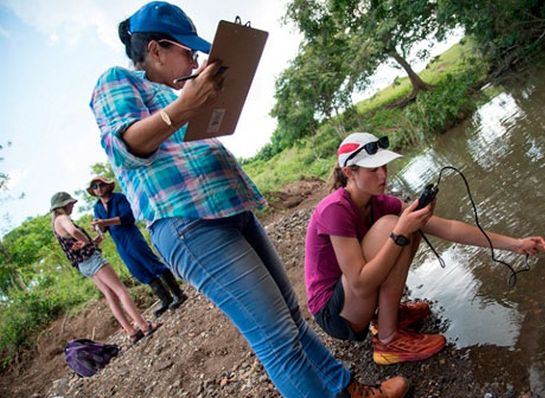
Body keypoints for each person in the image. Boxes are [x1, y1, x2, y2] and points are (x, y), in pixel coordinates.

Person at [88, 2, 409, 397]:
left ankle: (350, 390)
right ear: (155, 49)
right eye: (187, 51)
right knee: (275, 337)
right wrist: (185, 106)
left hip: (229, 208)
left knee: (290, 317)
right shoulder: (118, 80)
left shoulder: (176, 92)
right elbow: (126, 146)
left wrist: (202, 102)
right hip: (187, 221)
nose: (194, 59)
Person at [304, 132, 545, 366]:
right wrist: (400, 231)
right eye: (374, 169)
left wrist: (516, 244)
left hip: (355, 300)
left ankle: (386, 318)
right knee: (396, 226)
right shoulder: (334, 209)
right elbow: (359, 283)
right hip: (335, 314)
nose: (383, 176)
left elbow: (450, 228)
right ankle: (388, 341)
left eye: (384, 167)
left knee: (411, 224)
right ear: (350, 172)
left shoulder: (379, 203)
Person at [50, 191, 159, 344]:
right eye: (70, 204)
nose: (72, 206)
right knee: (120, 290)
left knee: (110, 295)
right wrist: (85, 241)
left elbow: (77, 246)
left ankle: (131, 332)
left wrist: (94, 240)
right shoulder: (62, 218)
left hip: (83, 265)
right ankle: (144, 326)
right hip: (92, 260)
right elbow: (74, 232)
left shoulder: (55, 225)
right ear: (62, 205)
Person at [88, 176, 187, 317]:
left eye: (101, 185)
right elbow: (104, 229)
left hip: (131, 236)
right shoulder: (97, 207)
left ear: (107, 185)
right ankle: (165, 299)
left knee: (151, 263)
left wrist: (105, 222)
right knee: (137, 269)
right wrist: (98, 226)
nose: (99, 188)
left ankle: (178, 293)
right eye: (95, 187)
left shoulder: (119, 198)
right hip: (119, 242)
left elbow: (128, 217)